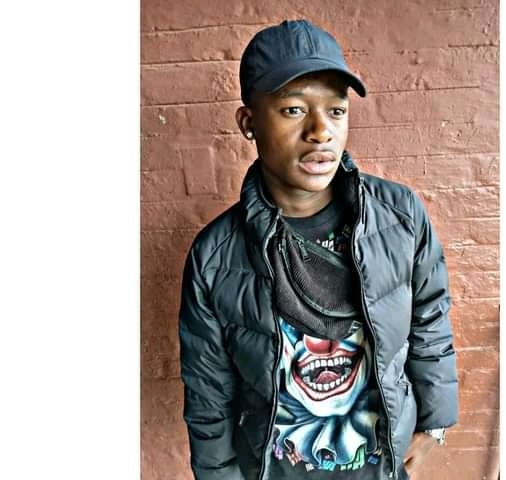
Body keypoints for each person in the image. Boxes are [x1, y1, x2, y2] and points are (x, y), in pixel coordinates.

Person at [179, 19, 458, 480]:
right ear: (249, 123)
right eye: (293, 109)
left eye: (336, 110)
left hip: (379, 467)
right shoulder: (216, 256)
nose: (320, 131)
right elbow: (208, 392)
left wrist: (435, 421)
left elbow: (430, 317)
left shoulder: (399, 217)